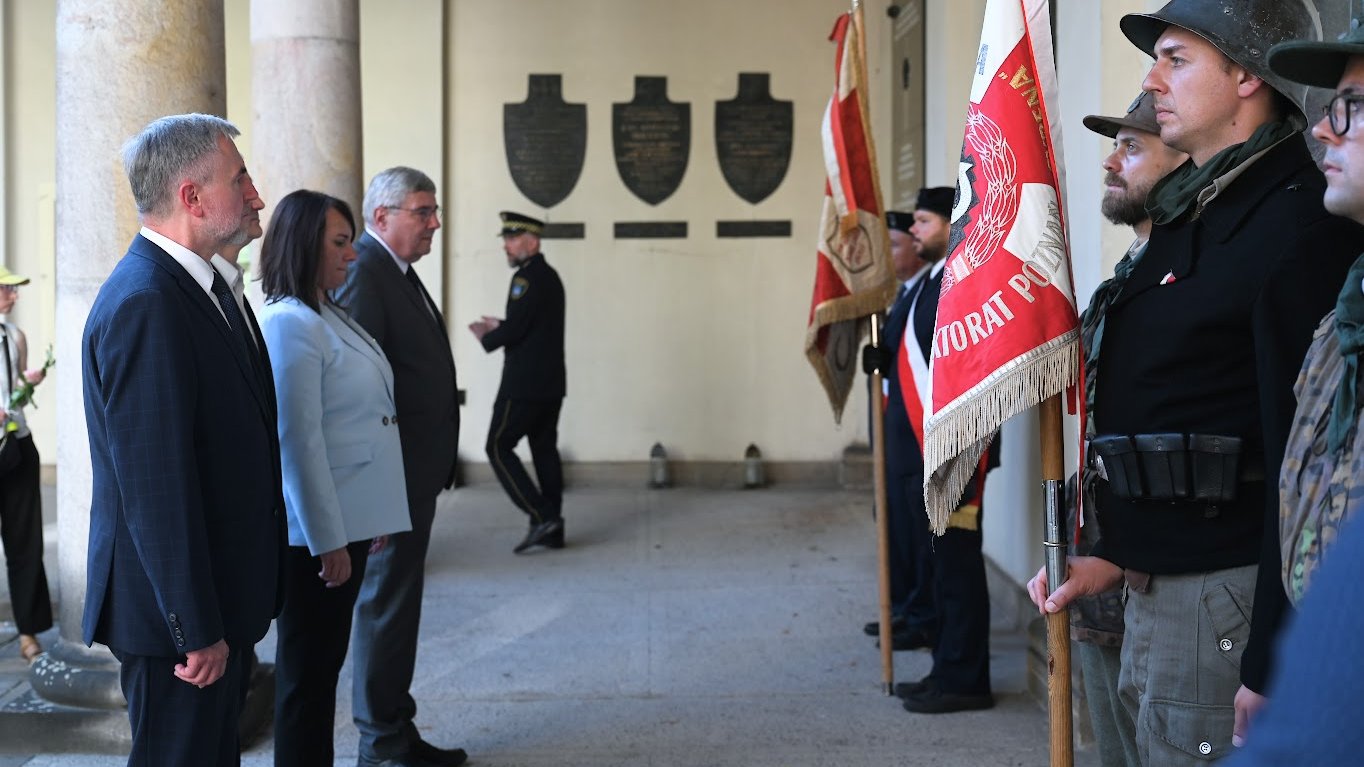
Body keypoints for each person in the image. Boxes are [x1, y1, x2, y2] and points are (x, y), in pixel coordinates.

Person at [1026, 3, 1364, 763]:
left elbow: (1301, 462)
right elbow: (1177, 409)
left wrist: (1272, 654)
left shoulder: (1297, 225)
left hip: (1228, 596)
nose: (1152, 81)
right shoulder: (1197, 212)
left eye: (1176, 59)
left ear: (1247, 75)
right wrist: (1114, 554)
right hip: (1158, 583)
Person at [81, 113, 284, 767]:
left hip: (214, 601)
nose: (256, 194)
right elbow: (156, 486)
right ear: (192, 197)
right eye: (241, 178)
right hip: (180, 623)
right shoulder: (149, 300)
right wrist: (195, 627)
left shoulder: (204, 286)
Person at [258, 190, 414, 767]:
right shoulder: (290, 323)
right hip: (313, 540)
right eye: (340, 242)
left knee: (321, 671)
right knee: (306, 680)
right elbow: (298, 441)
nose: (352, 255)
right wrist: (328, 539)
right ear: (304, 243)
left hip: (344, 523)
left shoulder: (324, 312)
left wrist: (364, 518)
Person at [1071, 91, 1187, 767]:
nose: (1111, 163)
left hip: (1154, 570)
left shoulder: (1188, 279)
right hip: (1097, 561)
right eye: (1115, 146)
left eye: (1133, 147)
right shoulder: (1118, 285)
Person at [335, 167, 465, 767]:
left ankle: (396, 729)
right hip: (392, 480)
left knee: (399, 605)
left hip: (413, 475)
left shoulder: (396, 271)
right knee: (385, 607)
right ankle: (382, 745)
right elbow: (360, 391)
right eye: (424, 210)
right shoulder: (366, 270)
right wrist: (376, 492)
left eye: (434, 210)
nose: (435, 222)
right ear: (382, 216)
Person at [893, 187, 998, 715]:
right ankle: (946, 668)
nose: (914, 231)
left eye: (923, 221)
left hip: (953, 454)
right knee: (940, 571)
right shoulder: (932, 278)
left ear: (950, 224)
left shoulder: (962, 279)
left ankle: (965, 678)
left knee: (957, 571)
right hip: (920, 448)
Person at [469, 211, 567, 554]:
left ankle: (543, 517)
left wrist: (487, 335)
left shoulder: (525, 279)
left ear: (533, 242)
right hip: (551, 383)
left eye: (512, 240)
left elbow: (518, 329)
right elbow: (531, 323)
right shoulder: (549, 276)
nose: (506, 247)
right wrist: (506, 324)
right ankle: (553, 527)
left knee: (497, 446)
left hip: (524, 384)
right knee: (543, 451)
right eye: (506, 240)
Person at [860, 209, 932, 651]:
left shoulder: (927, 289)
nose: (886, 255)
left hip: (916, 436)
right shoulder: (905, 292)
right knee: (899, 530)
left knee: (917, 535)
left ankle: (918, 612)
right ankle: (905, 606)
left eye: (894, 245)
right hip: (897, 430)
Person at [0, 265, 52, 665]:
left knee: (25, 543)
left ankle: (28, 632)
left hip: (17, 447)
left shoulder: (15, 336)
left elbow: (16, 383)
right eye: (6, 289)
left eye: (14, 290)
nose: (14, 296)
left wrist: (27, 384)